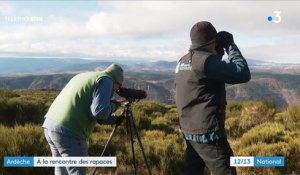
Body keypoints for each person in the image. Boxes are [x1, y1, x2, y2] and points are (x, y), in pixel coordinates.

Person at [175, 21, 251, 175]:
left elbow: (204, 76)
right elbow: (242, 73)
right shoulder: (206, 62)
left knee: (193, 170)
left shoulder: (183, 60)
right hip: (208, 133)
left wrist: (217, 52)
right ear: (212, 41)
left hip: (189, 130)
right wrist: (230, 46)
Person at [43, 64, 125, 175]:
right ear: (116, 81)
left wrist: (114, 120)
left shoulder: (86, 76)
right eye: (118, 87)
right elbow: (99, 111)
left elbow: (92, 111)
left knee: (61, 170)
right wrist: (114, 106)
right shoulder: (107, 80)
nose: (117, 90)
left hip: (50, 126)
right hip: (70, 131)